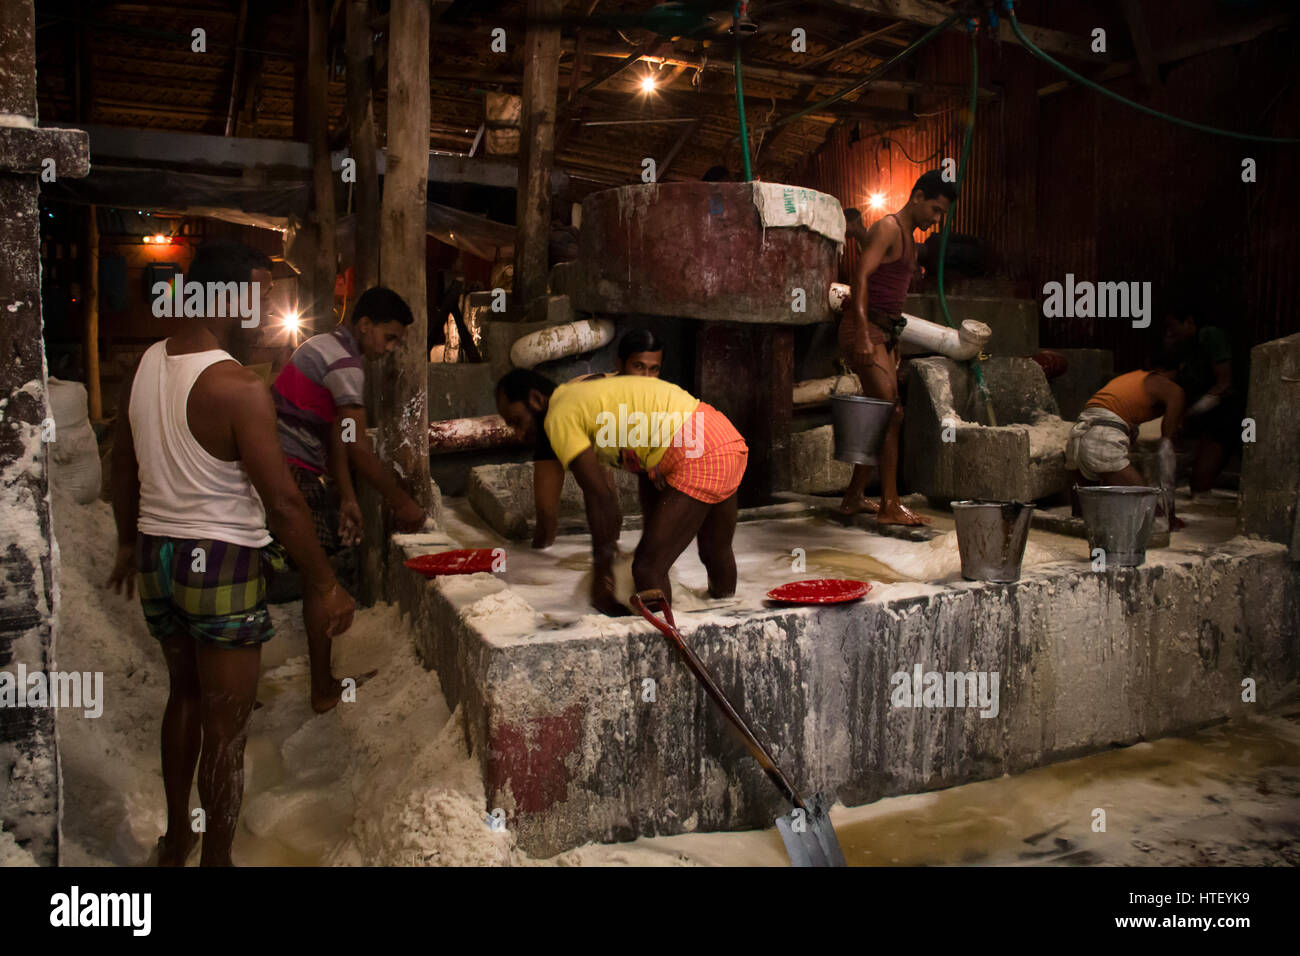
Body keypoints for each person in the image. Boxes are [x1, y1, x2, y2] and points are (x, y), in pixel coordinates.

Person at [107, 240, 355, 867]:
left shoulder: (145, 364)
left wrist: (127, 540)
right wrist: (324, 583)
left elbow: (123, 464)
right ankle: (217, 861)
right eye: (260, 299)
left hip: (159, 560)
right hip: (219, 564)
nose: (264, 314)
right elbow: (285, 504)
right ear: (229, 299)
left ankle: (175, 841)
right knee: (226, 726)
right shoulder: (239, 387)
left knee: (183, 696)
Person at [497, 370, 747, 613]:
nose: (518, 434)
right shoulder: (585, 397)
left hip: (698, 451)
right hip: (722, 436)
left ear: (536, 399)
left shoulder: (558, 415)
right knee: (716, 551)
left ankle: (663, 648)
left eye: (517, 421)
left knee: (647, 569)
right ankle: (727, 616)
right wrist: (650, 538)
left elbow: (599, 496)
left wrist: (603, 572)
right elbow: (644, 469)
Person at [837, 171, 955, 526]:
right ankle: (889, 505)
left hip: (885, 332)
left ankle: (854, 497)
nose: (936, 220)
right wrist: (860, 333)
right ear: (917, 196)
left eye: (941, 215)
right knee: (889, 410)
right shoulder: (888, 227)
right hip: (864, 327)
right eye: (934, 210)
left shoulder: (908, 238)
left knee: (889, 413)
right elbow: (859, 276)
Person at [531, 328, 665, 549]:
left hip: (596, 439)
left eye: (654, 369)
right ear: (621, 364)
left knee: (613, 517)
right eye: (639, 366)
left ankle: (609, 560)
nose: (647, 378)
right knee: (546, 522)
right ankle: (531, 577)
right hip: (555, 433)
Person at [1065, 359, 1186, 525]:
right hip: (1102, 438)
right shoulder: (1173, 389)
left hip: (1078, 433)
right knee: (1154, 518)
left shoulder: (1131, 380)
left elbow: (1107, 411)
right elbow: (1166, 446)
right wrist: (1169, 514)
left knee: (1084, 521)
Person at [1162, 306, 1244, 494]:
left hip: (1233, 413)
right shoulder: (1186, 350)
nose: (1170, 333)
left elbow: (1224, 383)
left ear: (1189, 323)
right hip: (1212, 418)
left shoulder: (1210, 336)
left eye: (1172, 327)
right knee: (1198, 484)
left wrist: (1187, 415)